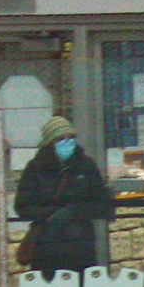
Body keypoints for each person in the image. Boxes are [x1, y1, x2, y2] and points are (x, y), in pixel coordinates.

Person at [13, 116, 109, 277]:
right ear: (50, 143)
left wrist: (75, 211)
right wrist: (51, 214)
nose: (66, 143)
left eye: (70, 138)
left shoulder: (85, 165)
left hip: (79, 246)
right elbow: (22, 206)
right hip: (47, 247)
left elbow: (101, 203)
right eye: (60, 139)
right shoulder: (35, 168)